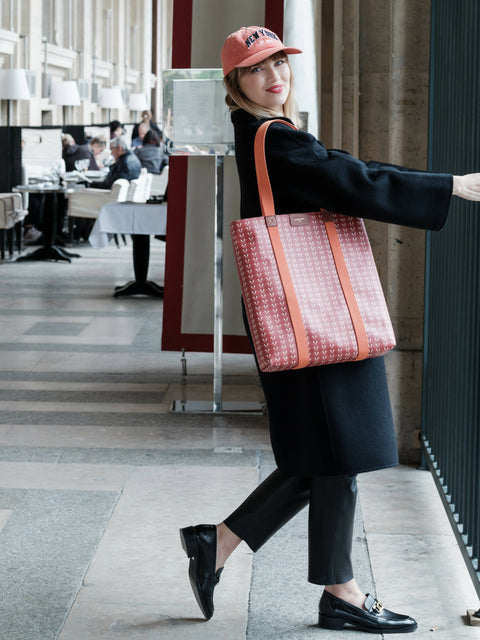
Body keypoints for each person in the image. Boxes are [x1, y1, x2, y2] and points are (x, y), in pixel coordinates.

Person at [179, 26, 480, 634]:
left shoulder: (270, 135)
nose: (275, 78)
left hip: (309, 312)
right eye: (257, 70)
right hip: (312, 313)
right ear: (235, 84)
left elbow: (344, 168)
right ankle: (337, 590)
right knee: (341, 450)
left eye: (280, 64)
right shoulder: (273, 136)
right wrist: (447, 185)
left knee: (327, 453)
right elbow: (350, 181)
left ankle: (222, 542)